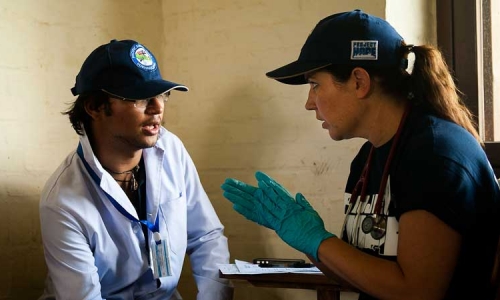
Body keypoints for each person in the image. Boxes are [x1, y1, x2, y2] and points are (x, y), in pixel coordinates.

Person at [221, 9, 500, 300]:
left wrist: (319, 240)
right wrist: (304, 238)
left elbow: (417, 292)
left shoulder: (434, 153)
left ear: (359, 81)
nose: (309, 103)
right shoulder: (368, 158)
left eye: (315, 85)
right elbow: (359, 273)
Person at [39, 39, 233, 300]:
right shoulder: (62, 201)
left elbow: (206, 236)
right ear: (95, 107)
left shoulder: (171, 149)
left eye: (162, 94)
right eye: (139, 98)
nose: (157, 108)